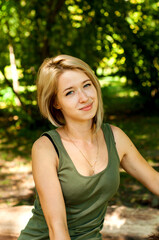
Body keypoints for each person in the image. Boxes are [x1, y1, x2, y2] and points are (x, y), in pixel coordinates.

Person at [18, 54, 159, 240]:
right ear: (56, 102)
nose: (84, 98)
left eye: (87, 85)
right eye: (70, 92)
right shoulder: (45, 149)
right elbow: (57, 229)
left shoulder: (116, 138)